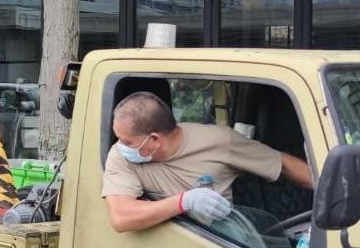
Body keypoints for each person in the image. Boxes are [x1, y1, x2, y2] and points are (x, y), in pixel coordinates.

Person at [102, 91, 313, 235]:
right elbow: (121, 216)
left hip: (226, 245)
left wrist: (337, 192)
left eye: (127, 141)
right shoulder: (122, 157)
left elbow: (283, 164)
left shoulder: (221, 142)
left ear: (154, 140)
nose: (120, 145)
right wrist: (184, 202)